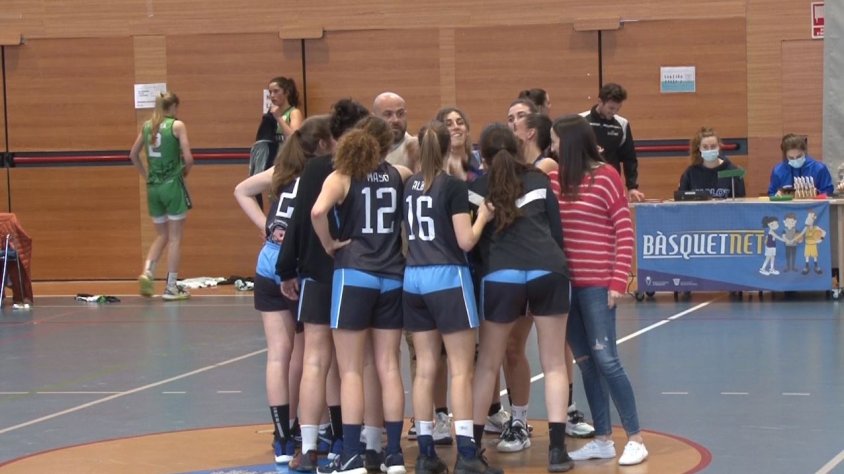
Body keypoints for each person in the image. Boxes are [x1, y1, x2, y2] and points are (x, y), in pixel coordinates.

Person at [469, 123, 574, 473]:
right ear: (516, 149)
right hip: (548, 270)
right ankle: (557, 451)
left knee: (487, 364)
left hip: (501, 274)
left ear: (482, 157)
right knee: (554, 363)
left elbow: (473, 246)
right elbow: (556, 233)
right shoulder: (539, 181)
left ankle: (472, 451)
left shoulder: (476, 189)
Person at [311, 117, 413, 474]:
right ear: (387, 145)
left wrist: (329, 244)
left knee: (351, 370)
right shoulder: (400, 175)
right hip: (392, 275)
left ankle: (352, 455)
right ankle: (394, 454)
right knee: (389, 366)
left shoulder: (341, 177)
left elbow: (317, 211)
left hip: (355, 273)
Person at [277, 99, 371, 473]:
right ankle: (360, 443)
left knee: (315, 360)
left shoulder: (315, 168)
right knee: (357, 365)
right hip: (356, 275)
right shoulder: (370, 168)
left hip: (317, 273)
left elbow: (299, 221)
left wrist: (286, 269)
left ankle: (308, 448)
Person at [234, 115, 332, 465]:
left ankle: (282, 438)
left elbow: (241, 190)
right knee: (307, 356)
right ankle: (313, 428)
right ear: (323, 144)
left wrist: (267, 227)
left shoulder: (282, 171)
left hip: (267, 262)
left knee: (278, 354)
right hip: (297, 266)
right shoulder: (320, 177)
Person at [550, 115, 647, 466]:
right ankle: (603, 438)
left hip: (597, 284)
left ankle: (635, 437)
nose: (552, 147)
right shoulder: (554, 180)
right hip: (566, 286)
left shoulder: (606, 176)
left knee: (607, 360)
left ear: (570, 142)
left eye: (555, 141)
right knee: (586, 363)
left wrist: (618, 280)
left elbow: (624, 230)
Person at [404, 121, 497, 474]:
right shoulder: (453, 186)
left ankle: (426, 453)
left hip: (413, 277)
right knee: (460, 369)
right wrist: (483, 217)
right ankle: (467, 454)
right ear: (447, 149)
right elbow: (465, 241)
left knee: (425, 368)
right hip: (447, 277)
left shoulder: (409, 185)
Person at [129, 92, 194, 301]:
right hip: (171, 185)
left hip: (153, 187)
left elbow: (133, 155)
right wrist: (183, 173)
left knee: (162, 235)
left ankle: (148, 272)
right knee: (175, 238)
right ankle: (171, 287)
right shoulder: (177, 125)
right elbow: (189, 158)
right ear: (173, 106)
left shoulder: (148, 126)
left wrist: (146, 175)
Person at [580, 83, 645, 203]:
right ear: (600, 102)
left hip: (611, 183)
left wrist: (632, 187)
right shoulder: (580, 120)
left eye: (617, 109)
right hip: (584, 182)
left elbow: (629, 159)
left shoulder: (622, 124)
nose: (614, 112)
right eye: (611, 108)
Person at [251, 77, 305, 176]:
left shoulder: (294, 112)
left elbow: (294, 137)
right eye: (270, 92)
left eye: (276, 91)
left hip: (287, 159)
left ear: (286, 92)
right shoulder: (270, 115)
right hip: (273, 158)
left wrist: (279, 118)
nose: (272, 96)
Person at [678, 127, 746, 199]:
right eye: (705, 147)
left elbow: (740, 202)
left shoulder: (733, 172)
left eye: (713, 146)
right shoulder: (690, 173)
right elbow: (681, 199)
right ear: (699, 148)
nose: (709, 150)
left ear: (719, 146)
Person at [768, 133, 834, 196]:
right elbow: (772, 193)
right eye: (791, 158)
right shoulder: (778, 171)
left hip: (812, 204)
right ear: (785, 156)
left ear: (805, 152)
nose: (795, 160)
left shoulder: (819, 168)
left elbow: (828, 192)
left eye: (799, 156)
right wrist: (776, 195)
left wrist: (816, 193)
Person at [436, 107, 483, 183]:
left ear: (467, 131)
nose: (456, 127)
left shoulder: (481, 158)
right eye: (448, 124)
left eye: (460, 123)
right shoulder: (436, 167)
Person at [373, 92, 418, 170]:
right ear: (374, 118)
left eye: (400, 114)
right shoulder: (364, 151)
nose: (395, 120)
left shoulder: (417, 151)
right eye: (388, 114)